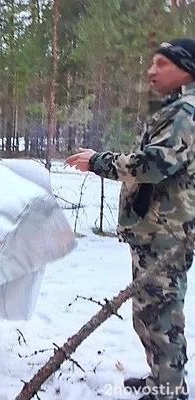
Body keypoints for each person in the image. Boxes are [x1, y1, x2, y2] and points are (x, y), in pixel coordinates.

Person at [66, 38, 195, 400]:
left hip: (167, 234)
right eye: (151, 63)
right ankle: (163, 379)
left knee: (161, 315)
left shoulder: (186, 112)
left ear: (186, 68)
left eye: (161, 64)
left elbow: (153, 164)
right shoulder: (173, 108)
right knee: (150, 313)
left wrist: (97, 161)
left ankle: (170, 391)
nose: (151, 71)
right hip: (156, 229)